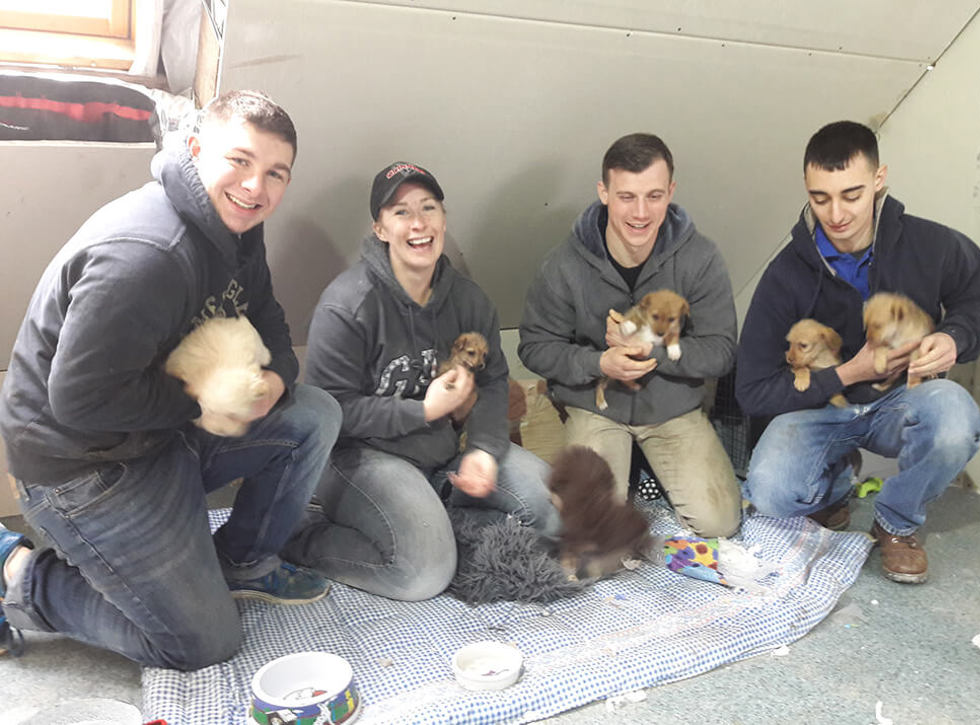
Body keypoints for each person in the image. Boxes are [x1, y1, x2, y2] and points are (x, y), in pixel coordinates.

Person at [0, 91, 342, 667]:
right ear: (196, 148)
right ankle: (18, 570)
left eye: (275, 173)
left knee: (313, 414)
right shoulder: (149, 254)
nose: (255, 187)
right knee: (202, 643)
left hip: (159, 432)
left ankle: (241, 563)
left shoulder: (238, 226)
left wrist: (278, 379)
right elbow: (80, 400)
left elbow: (267, 315)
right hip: (84, 467)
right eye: (240, 160)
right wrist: (205, 401)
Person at [735, 120, 980, 584]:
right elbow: (752, 391)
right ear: (806, 188)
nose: (836, 214)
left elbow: (978, 296)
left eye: (851, 195)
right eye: (820, 198)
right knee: (771, 493)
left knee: (956, 420)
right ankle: (835, 486)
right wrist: (848, 372)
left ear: (879, 180)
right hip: (820, 408)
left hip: (901, 401)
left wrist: (954, 338)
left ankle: (896, 523)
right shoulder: (785, 274)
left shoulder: (931, 244)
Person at [282, 161, 559, 601]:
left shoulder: (469, 300)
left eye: (428, 208)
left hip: (442, 455)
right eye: (401, 212)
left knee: (561, 513)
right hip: (360, 460)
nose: (418, 223)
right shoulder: (345, 306)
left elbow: (492, 382)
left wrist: (483, 451)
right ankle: (300, 537)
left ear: (444, 219)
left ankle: (442, 516)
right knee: (423, 574)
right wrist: (423, 410)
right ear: (379, 229)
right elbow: (330, 411)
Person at [517, 133, 741, 538]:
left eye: (654, 196)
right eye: (626, 197)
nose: (640, 213)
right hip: (596, 408)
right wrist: (599, 363)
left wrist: (653, 349)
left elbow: (721, 351)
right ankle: (629, 471)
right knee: (593, 534)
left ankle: (639, 469)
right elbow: (534, 346)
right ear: (603, 192)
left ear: (671, 191)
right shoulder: (563, 264)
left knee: (719, 523)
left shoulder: (701, 257)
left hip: (673, 409)